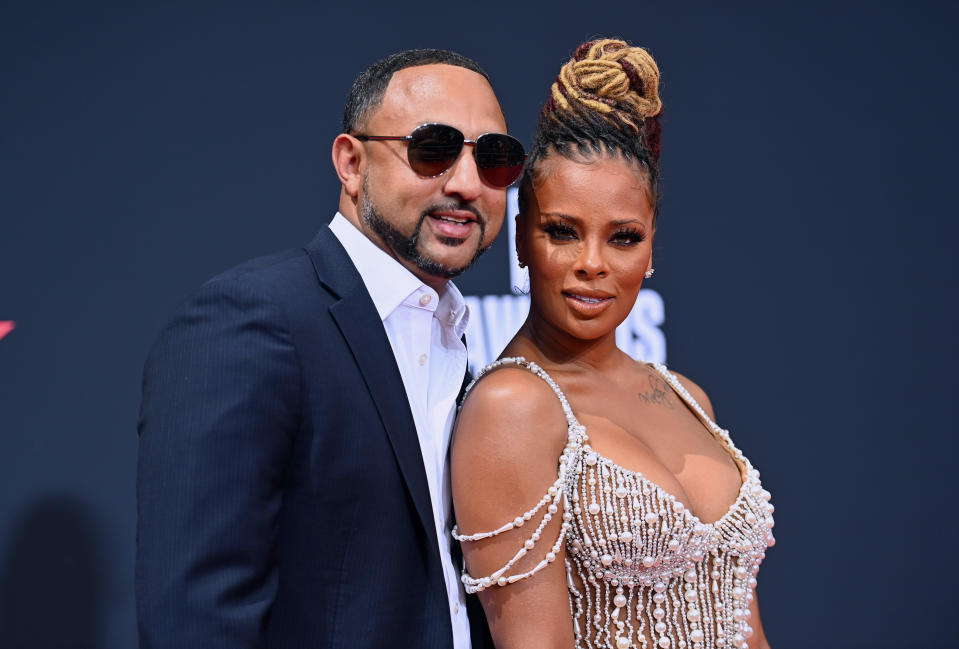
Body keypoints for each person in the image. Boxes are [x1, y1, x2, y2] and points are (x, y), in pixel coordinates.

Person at [136, 48, 525, 649]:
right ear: (351, 163)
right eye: (433, 150)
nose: (467, 183)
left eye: (493, 159)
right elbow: (199, 612)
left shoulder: (464, 343)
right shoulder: (253, 319)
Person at [450, 39, 775, 649]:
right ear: (522, 239)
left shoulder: (688, 398)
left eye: (622, 238)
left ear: (651, 248)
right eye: (562, 232)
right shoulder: (512, 409)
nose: (591, 264)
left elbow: (745, 623)